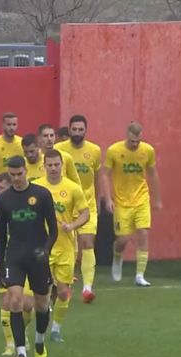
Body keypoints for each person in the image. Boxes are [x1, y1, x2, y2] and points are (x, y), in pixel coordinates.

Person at [0, 156, 58, 357]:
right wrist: (1, 267)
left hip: (37, 256)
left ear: (26, 171)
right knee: (14, 300)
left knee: (41, 303)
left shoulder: (42, 195)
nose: (16, 179)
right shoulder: (2, 201)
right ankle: (20, 352)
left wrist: (46, 250)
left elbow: (53, 230)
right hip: (15, 256)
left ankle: (39, 341)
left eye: (19, 174)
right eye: (12, 175)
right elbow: (1, 236)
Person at [34, 150, 89, 342]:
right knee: (42, 291)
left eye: (57, 164)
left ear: (62, 165)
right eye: (50, 165)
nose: (54, 168)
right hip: (43, 247)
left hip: (65, 247)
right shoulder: (37, 187)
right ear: (44, 165)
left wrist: (72, 225)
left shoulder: (73, 188)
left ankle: (56, 330)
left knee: (64, 291)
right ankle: (40, 327)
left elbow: (85, 213)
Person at [102, 122, 162, 286]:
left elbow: (152, 173)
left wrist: (156, 198)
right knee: (122, 240)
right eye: (132, 141)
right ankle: (117, 257)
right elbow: (105, 175)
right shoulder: (114, 151)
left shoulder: (147, 151)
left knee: (142, 232)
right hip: (121, 201)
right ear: (126, 135)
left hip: (141, 198)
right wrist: (108, 199)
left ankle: (140, 276)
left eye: (137, 141)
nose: (135, 144)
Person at [0, 172, 35, 356]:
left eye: (3, 188)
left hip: (27, 258)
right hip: (4, 259)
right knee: (8, 301)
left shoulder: (26, 203)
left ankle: (22, 331)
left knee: (27, 304)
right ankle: (10, 344)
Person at [55, 115, 102, 302]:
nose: (77, 133)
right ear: (69, 130)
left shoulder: (95, 150)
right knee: (69, 248)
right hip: (66, 205)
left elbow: (97, 177)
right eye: (74, 129)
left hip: (87, 204)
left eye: (80, 130)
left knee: (87, 243)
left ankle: (87, 288)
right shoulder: (60, 150)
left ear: (86, 130)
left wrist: (97, 201)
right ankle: (66, 283)